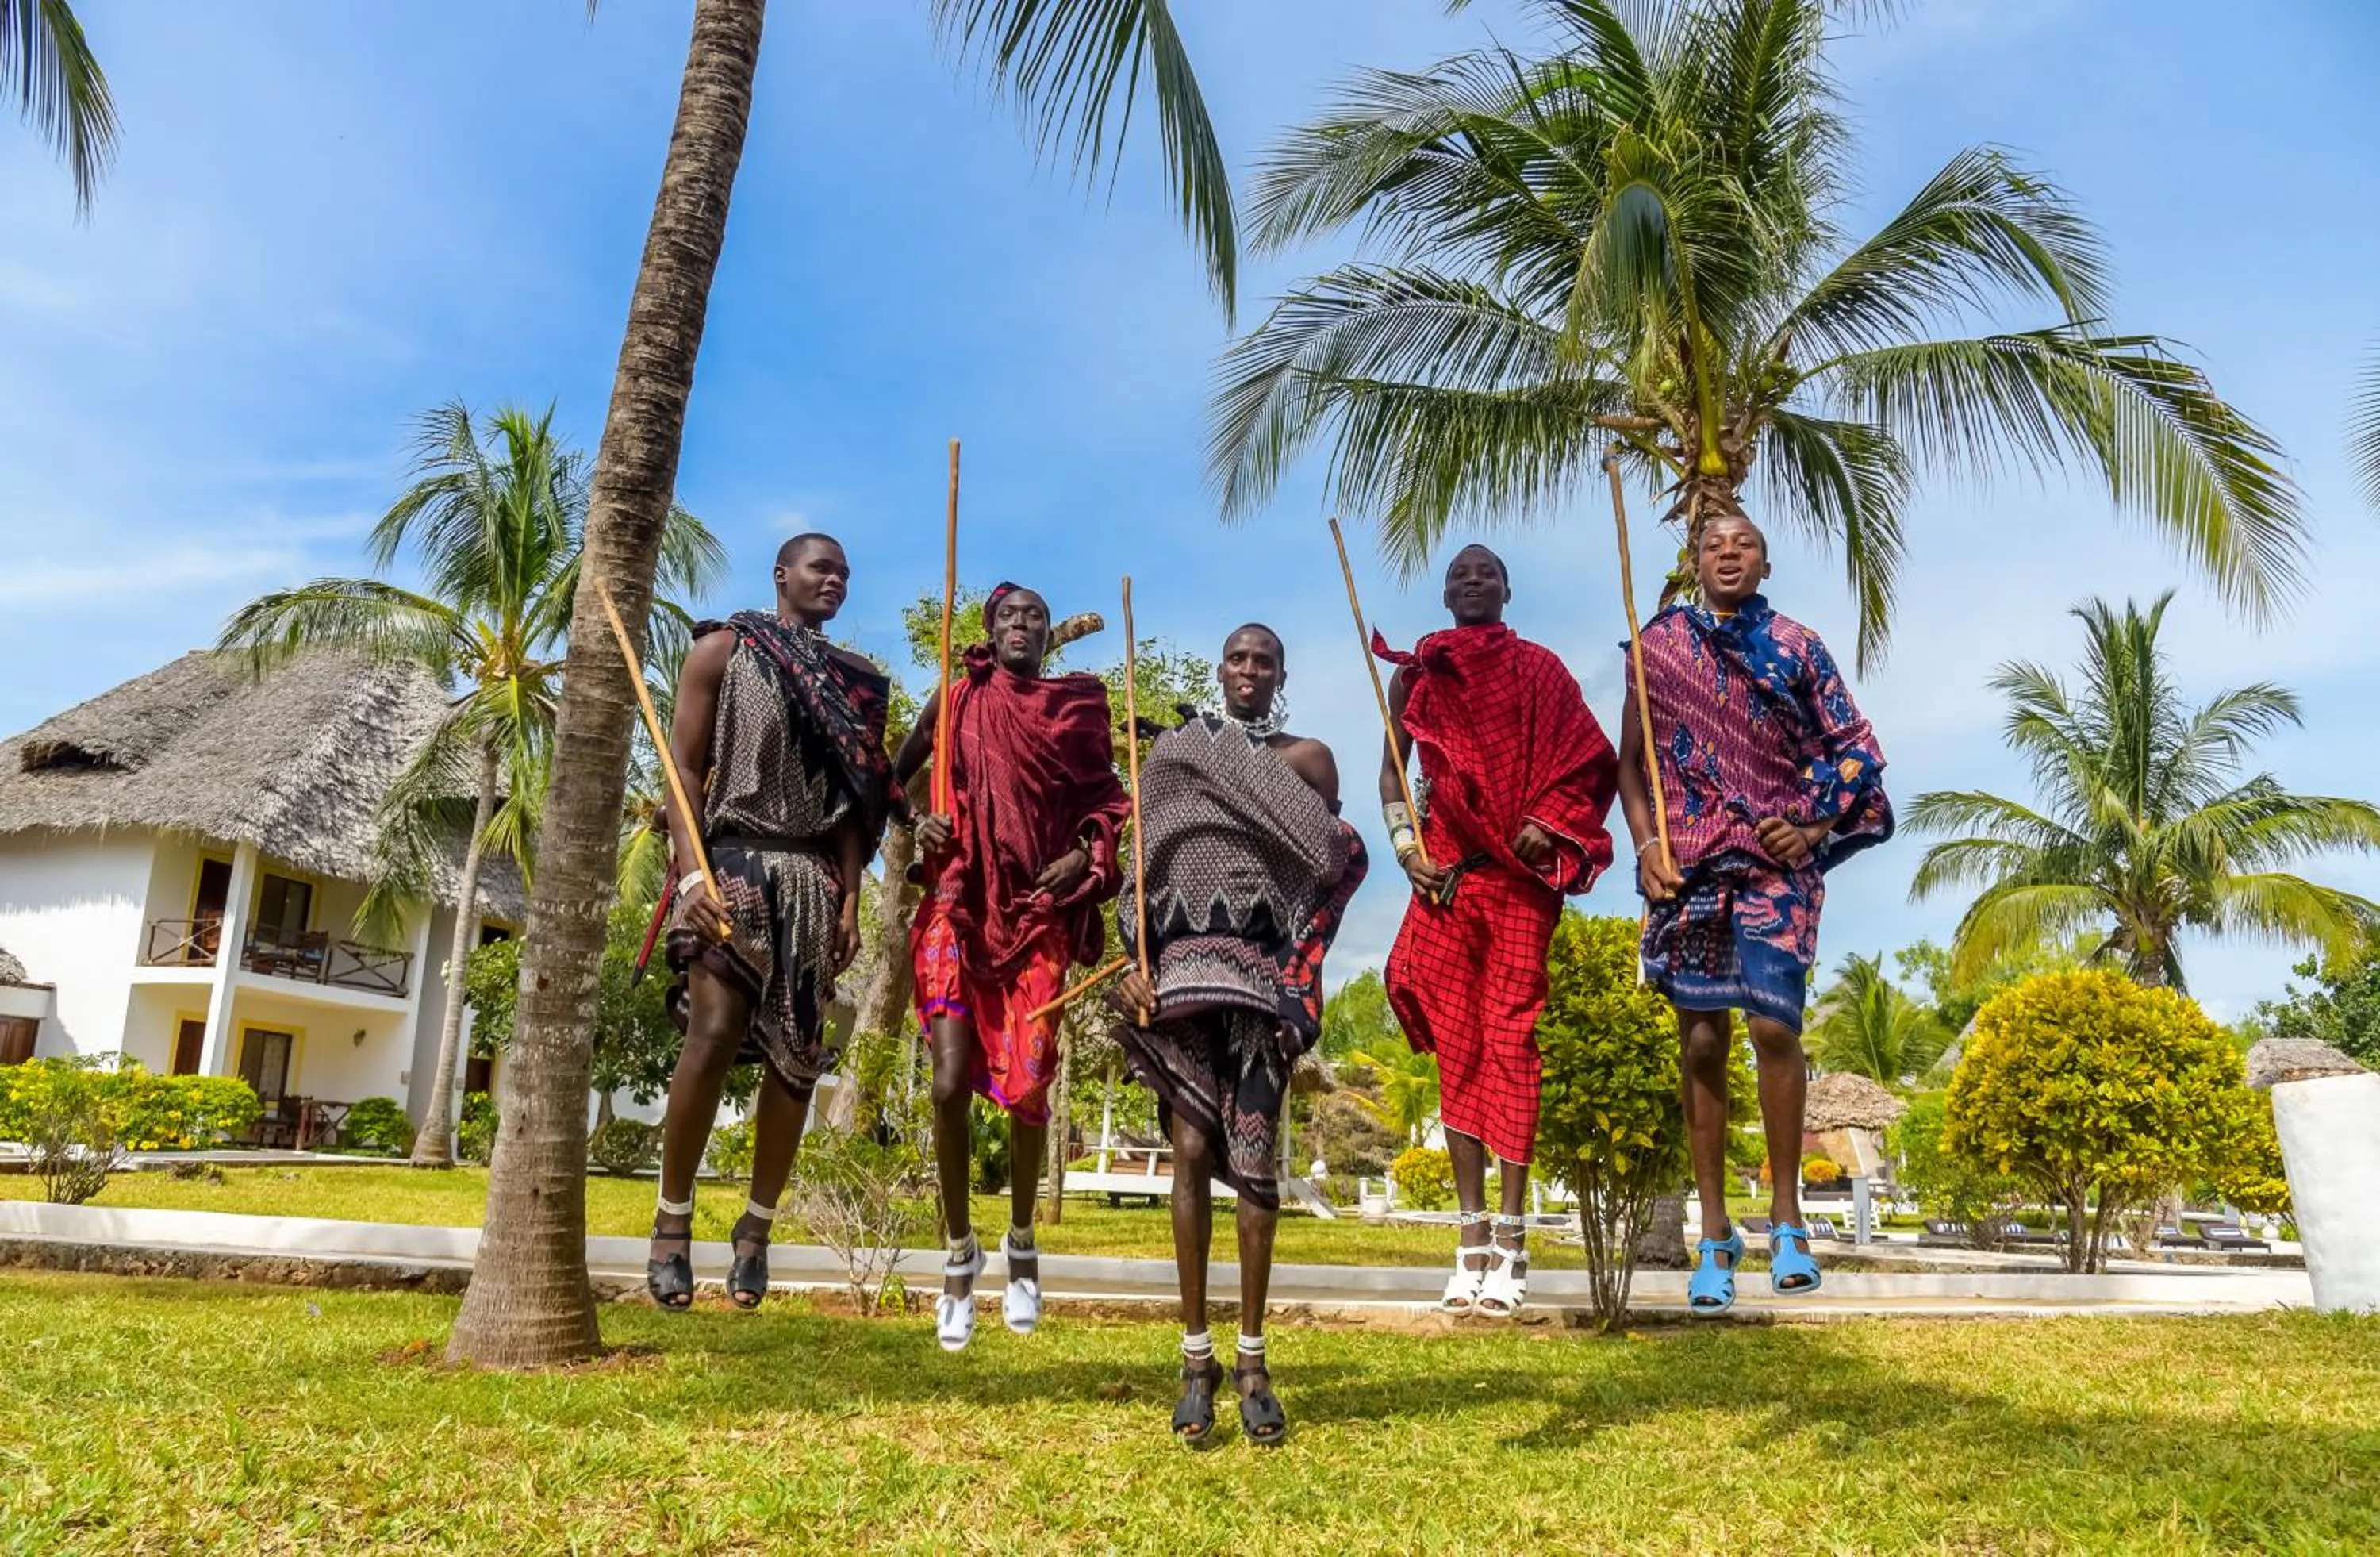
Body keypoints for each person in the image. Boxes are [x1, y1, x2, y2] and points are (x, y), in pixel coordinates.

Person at [1615, 514, 1892, 1314]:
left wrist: (1812, 826)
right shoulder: (1658, 645)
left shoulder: (1797, 646)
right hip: (1689, 862)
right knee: (1702, 1040)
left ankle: (1787, 1217)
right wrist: (1646, 848)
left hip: (1775, 860)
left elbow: (1856, 747)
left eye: (1744, 545)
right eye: (1713, 545)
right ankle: (1714, 1232)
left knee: (1774, 1027)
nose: (1728, 554)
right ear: (1694, 562)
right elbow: (1630, 766)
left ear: (1765, 564)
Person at [1111, 625, 1367, 1447]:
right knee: (1188, 1147)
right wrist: (1132, 960)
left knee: (1256, 1166)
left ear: (1281, 675)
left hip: (1259, 979)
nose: (1250, 670)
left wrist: (1300, 982)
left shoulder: (1309, 761)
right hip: (1180, 976)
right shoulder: (1174, 754)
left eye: (1264, 661)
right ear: (1221, 669)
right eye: (1238, 658)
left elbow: (1326, 870)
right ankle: (1197, 1362)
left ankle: (1253, 1360)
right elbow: (1137, 871)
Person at [647, 533, 897, 1313]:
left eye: (846, 573)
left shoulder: (855, 681)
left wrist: (851, 899)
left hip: (813, 877)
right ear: (782, 575)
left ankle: (755, 1230)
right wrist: (692, 872)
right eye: (822, 568)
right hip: (730, 862)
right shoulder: (723, 651)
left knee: (797, 1059)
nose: (836, 581)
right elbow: (684, 767)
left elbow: (856, 804)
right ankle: (672, 1220)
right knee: (714, 1031)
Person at [1376, 544, 1617, 1318]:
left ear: (1508, 590)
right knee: (1459, 1048)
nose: (1473, 581)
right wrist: (1407, 850)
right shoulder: (1419, 673)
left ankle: (1513, 1242)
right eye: (1460, 574)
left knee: (1510, 1044)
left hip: (1517, 882)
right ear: (1445, 593)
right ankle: (1469, 1238)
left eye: (1486, 573)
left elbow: (1590, 763)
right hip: (1447, 879)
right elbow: (1391, 775)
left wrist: (1550, 820)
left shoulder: (1540, 670)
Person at [895, 582, 1130, 1351]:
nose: (1020, 624)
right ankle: (959, 1252)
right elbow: (894, 774)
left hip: (1035, 910)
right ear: (989, 630)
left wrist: (1082, 856)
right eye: (1008, 616)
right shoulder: (957, 697)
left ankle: (1021, 1241)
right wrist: (919, 822)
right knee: (945, 1084)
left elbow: (1109, 801)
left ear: (1047, 632)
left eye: (1033, 615)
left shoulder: (1076, 707)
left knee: (1029, 1086)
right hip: (959, 898)